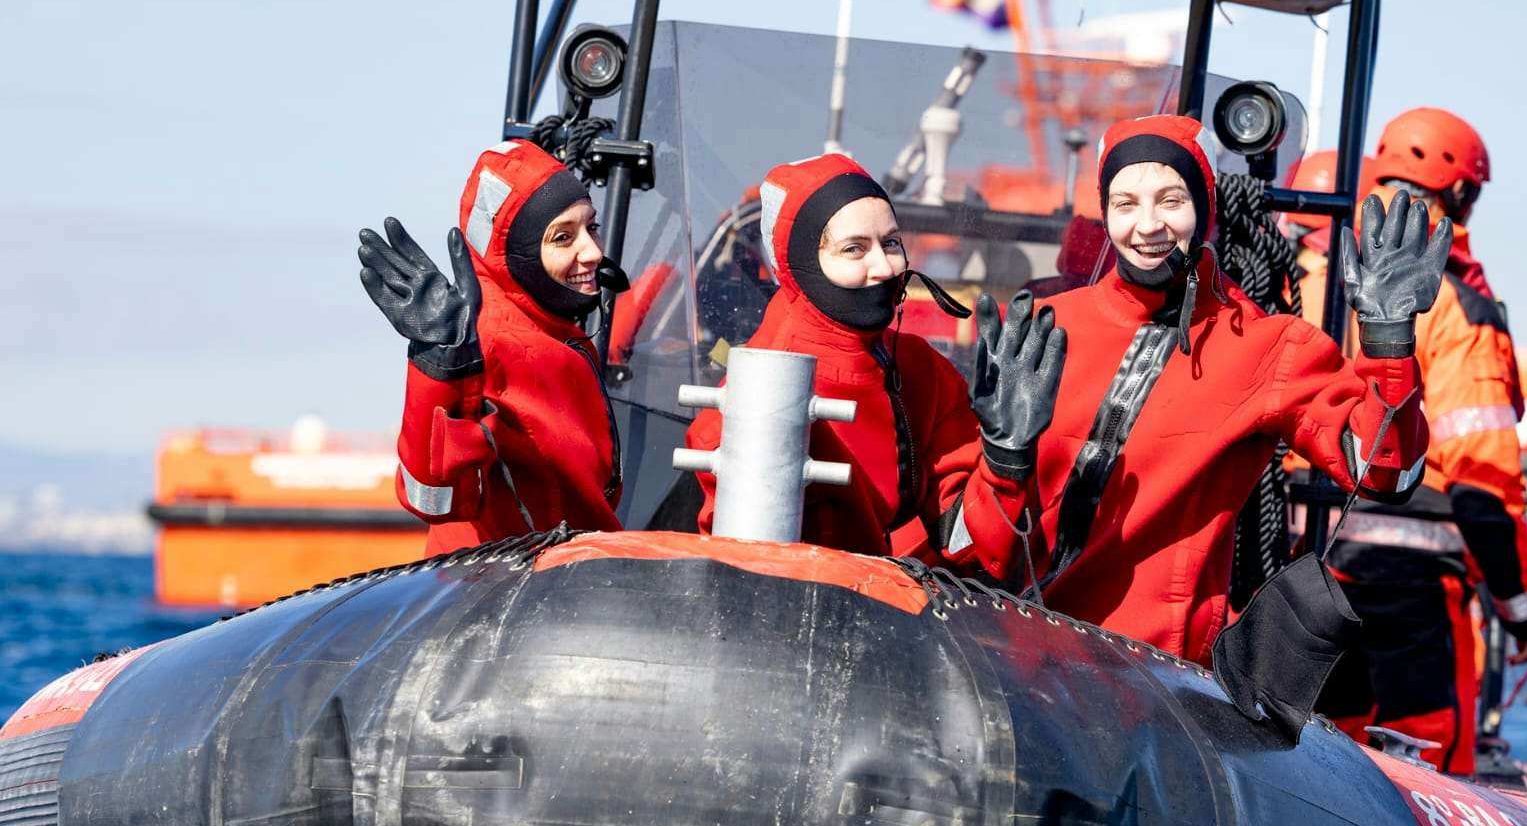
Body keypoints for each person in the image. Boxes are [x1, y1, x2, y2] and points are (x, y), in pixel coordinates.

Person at [943, 114, 1446, 664]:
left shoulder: (1264, 344)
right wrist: (1005, 459)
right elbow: (962, 548)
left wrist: (1389, 340)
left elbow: (1385, 471)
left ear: (1204, 208)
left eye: (1171, 200)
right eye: (1125, 203)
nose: (1148, 224)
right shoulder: (1041, 327)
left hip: (1152, 688)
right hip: (1011, 659)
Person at [1305, 107, 1527, 775]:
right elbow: (1483, 489)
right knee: (1425, 760)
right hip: (1407, 597)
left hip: (1294, 568)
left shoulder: (1299, 276)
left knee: (1313, 756)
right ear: (1458, 194)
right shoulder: (1455, 307)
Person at [686, 152, 1064, 559]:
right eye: (854, 249)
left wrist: (1004, 462)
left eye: (891, 243)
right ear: (801, 264)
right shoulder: (758, 394)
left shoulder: (922, 371)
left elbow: (965, 544)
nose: (884, 267)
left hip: (885, 607)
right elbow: (744, 573)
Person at [357, 140, 623, 554]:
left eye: (592, 228)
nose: (591, 251)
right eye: (563, 237)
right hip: (515, 594)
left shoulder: (559, 333)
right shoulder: (489, 345)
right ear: (516, 256)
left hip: (572, 581)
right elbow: (433, 494)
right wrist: (440, 367)